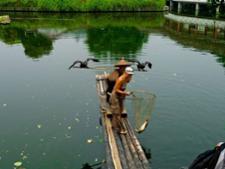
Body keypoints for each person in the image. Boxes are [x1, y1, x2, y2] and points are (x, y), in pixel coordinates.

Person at [110, 67, 134, 134]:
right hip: (115, 96)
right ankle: (120, 129)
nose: (130, 75)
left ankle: (115, 124)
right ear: (125, 72)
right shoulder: (120, 79)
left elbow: (124, 86)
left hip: (120, 96)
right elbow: (116, 89)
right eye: (129, 74)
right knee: (117, 113)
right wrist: (125, 93)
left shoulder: (127, 78)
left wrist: (129, 78)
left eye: (131, 74)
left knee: (120, 111)